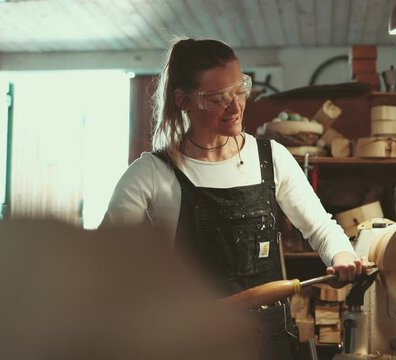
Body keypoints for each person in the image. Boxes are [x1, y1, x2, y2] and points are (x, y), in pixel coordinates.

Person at [101, 38, 362, 359]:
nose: (235, 107)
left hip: (269, 340)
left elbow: (321, 227)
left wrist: (341, 256)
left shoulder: (271, 158)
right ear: (183, 100)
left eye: (240, 90)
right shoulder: (151, 173)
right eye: (217, 99)